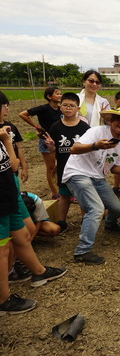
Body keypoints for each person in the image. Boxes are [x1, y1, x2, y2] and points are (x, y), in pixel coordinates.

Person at [63, 103, 120, 265]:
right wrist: (95, 146)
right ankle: (82, 251)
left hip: (97, 177)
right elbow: (74, 148)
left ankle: (110, 225)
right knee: (96, 208)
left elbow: (114, 168)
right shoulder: (97, 132)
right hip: (78, 172)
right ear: (111, 120)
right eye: (119, 119)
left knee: (116, 208)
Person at [0, 125, 67, 315]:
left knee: (22, 235)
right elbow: (13, 165)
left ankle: (39, 272)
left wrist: (6, 141)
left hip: (8, 193)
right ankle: (3, 300)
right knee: (2, 249)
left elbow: (12, 167)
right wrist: (5, 141)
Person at [44, 92, 90, 233]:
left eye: (72, 105)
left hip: (81, 168)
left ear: (78, 108)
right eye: (65, 105)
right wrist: (50, 146)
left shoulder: (84, 128)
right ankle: (62, 222)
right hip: (64, 168)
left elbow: (89, 149)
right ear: (60, 107)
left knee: (82, 195)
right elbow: (52, 150)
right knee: (64, 195)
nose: (68, 108)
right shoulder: (56, 127)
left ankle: (85, 221)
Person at [19, 86, 62, 199]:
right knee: (51, 167)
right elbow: (23, 114)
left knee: (62, 165)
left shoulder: (60, 109)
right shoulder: (43, 108)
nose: (60, 95)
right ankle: (54, 192)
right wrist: (36, 126)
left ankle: (62, 189)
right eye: (57, 93)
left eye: (60, 93)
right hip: (46, 141)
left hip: (59, 141)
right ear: (49, 96)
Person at [0, 92, 27, 183]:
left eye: (7, 105)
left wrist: (24, 167)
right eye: (4, 105)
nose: (7, 107)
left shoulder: (11, 126)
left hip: (13, 170)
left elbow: (18, 148)